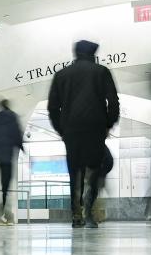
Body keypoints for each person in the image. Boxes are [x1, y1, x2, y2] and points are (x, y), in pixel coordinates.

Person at [47, 40, 120, 228]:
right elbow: (113, 101)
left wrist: (61, 129)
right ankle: (89, 212)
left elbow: (53, 107)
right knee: (94, 170)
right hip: (95, 128)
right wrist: (108, 124)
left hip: (71, 130)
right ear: (92, 54)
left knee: (75, 172)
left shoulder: (61, 75)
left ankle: (76, 214)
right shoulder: (101, 71)